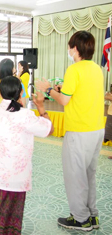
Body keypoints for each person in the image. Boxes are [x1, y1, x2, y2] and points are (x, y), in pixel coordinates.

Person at [36, 31, 104, 231]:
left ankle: (80, 219)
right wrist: (62, 88)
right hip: (96, 129)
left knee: (75, 176)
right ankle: (92, 216)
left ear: (75, 48)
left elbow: (64, 100)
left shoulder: (74, 69)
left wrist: (48, 90)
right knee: (89, 174)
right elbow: (79, 92)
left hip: (79, 131)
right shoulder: (96, 69)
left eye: (69, 47)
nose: (68, 50)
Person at [0, 76, 53, 235]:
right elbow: (49, 130)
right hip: (15, 176)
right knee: (12, 216)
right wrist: (41, 106)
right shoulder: (25, 115)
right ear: (21, 92)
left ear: (1, 94)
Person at [0, 58, 27, 193]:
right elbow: (22, 105)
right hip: (15, 124)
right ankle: (12, 182)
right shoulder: (19, 84)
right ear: (12, 69)